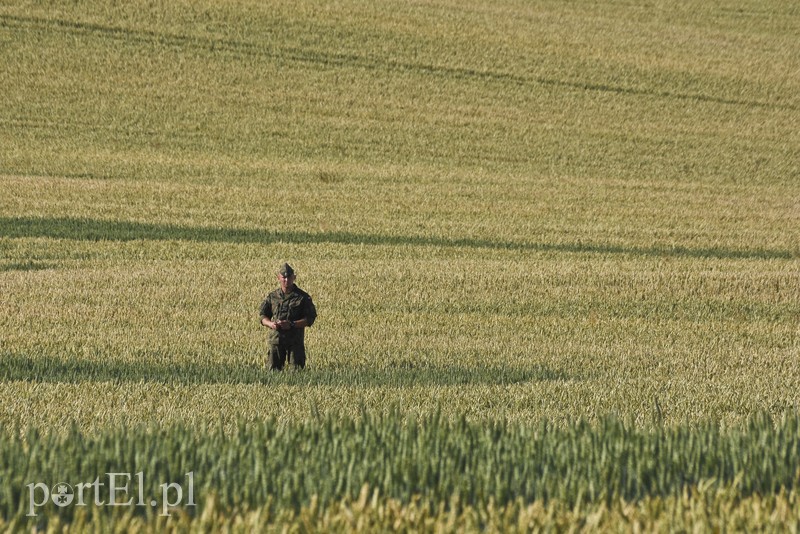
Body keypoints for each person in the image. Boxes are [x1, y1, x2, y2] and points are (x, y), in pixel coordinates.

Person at [259, 263, 317, 370]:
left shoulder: (302, 297)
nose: (286, 280)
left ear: (294, 278)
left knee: (296, 372)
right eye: (283, 277)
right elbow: (263, 315)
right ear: (278, 277)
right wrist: (271, 324)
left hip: (295, 342)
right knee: (272, 371)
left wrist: (292, 324)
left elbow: (310, 318)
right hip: (276, 340)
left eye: (289, 277)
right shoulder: (273, 296)